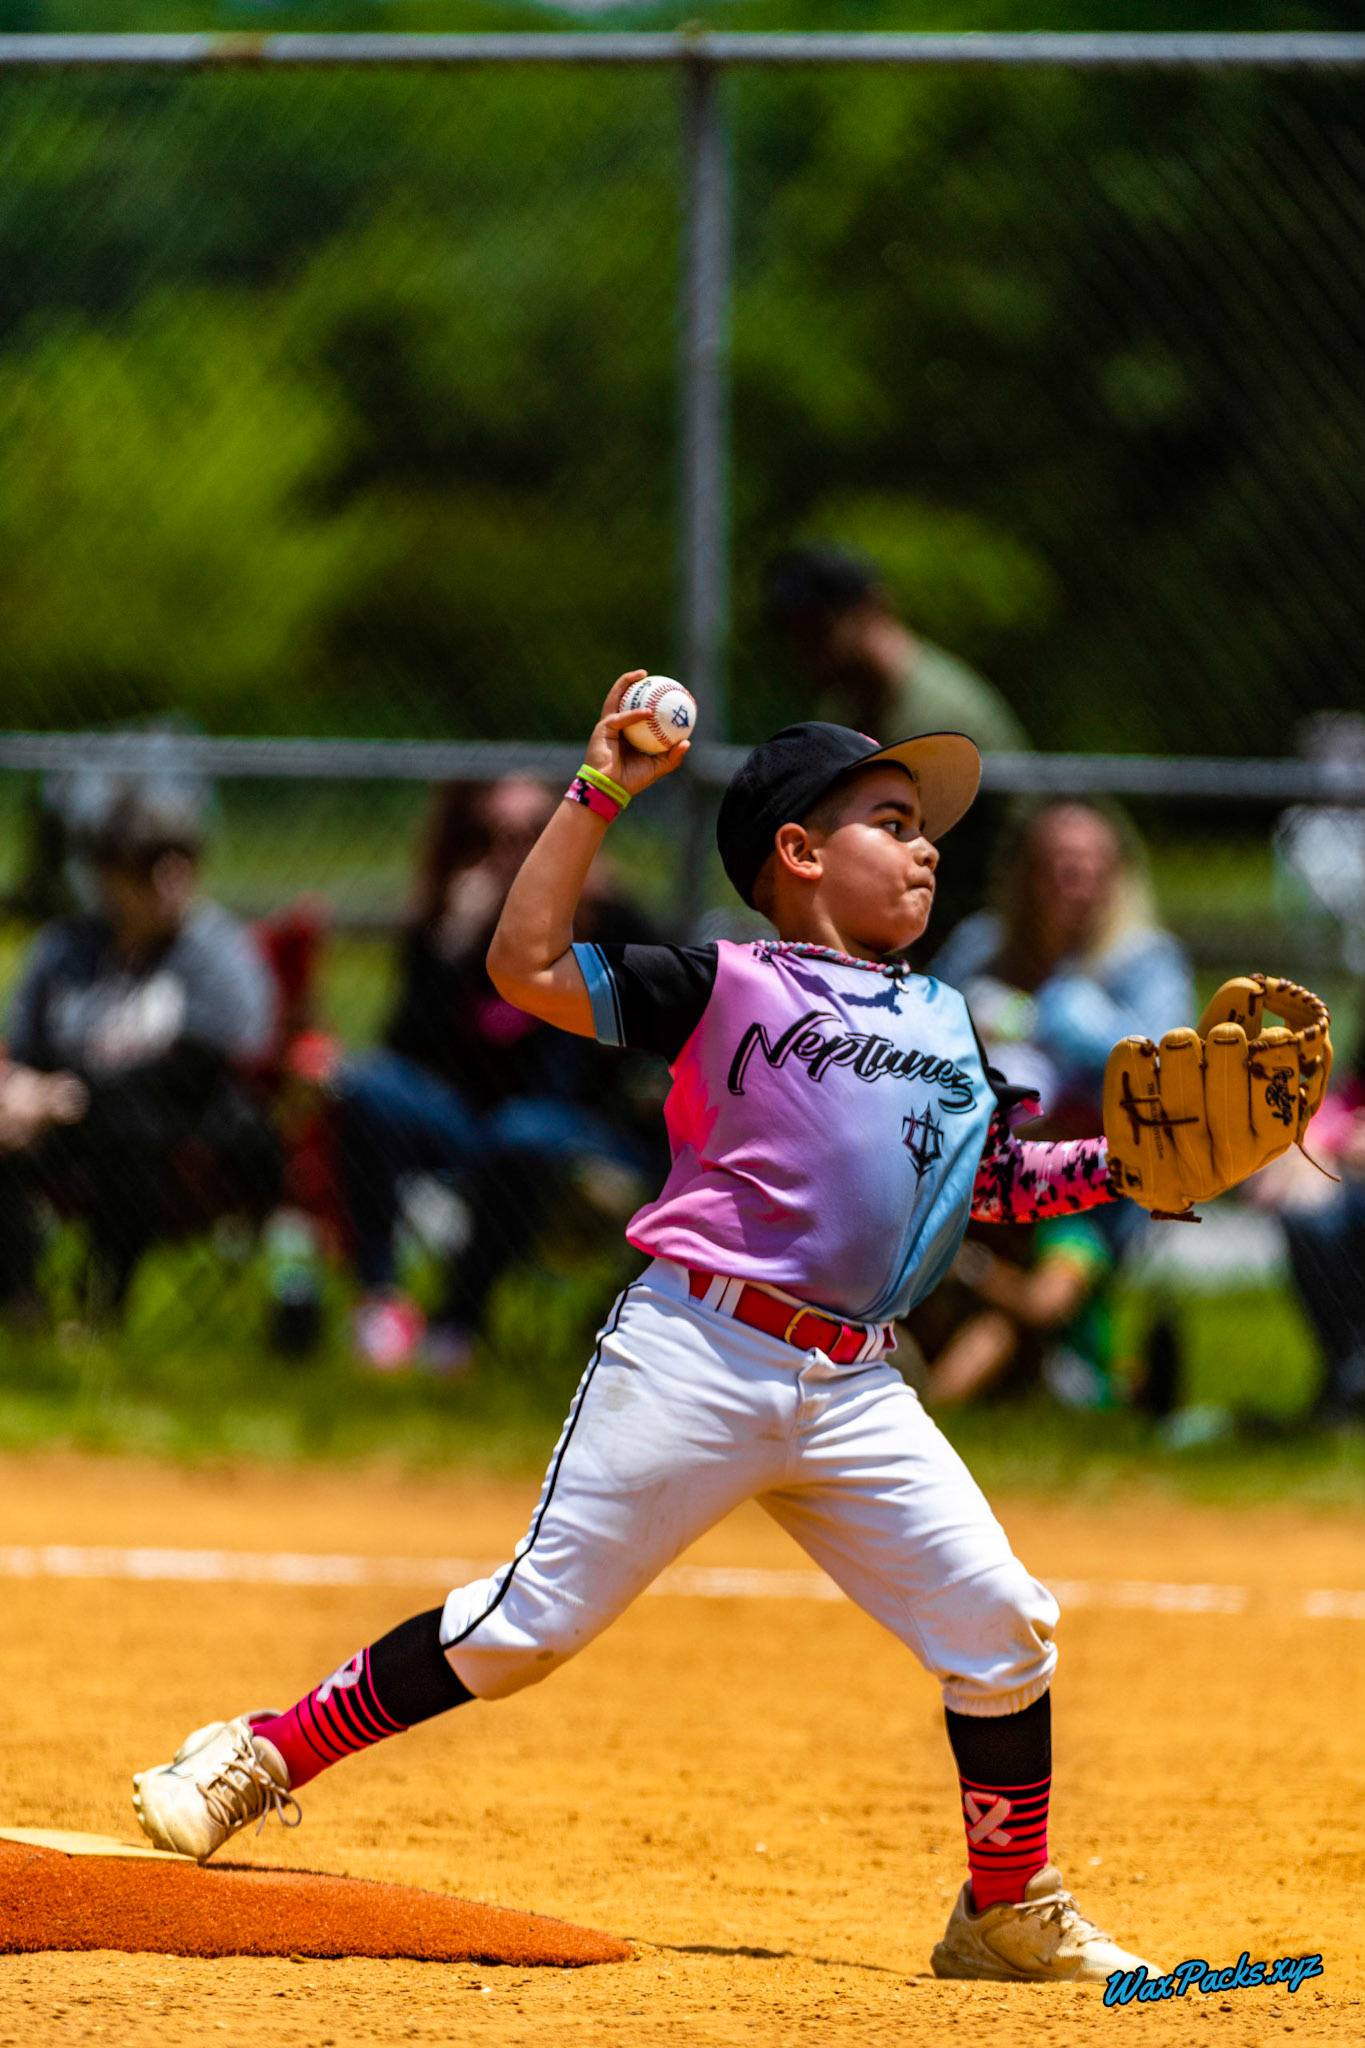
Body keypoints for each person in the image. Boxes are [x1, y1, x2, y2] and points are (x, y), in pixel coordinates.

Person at [131, 679, 1167, 1985]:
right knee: (527, 1628)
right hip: (701, 1352)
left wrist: (1129, 1164)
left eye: (924, 827)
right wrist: (600, 790)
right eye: (892, 819)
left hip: (856, 1385)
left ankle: (1004, 1906)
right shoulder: (726, 983)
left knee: (1003, 1623)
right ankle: (262, 1751)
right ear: (796, 853)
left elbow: (994, 1187)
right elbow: (526, 967)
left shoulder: (945, 1020)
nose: (927, 848)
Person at [338, 776, 660, 1374]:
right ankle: (380, 1302)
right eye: (490, 838)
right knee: (368, 1088)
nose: (511, 854)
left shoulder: (611, 919)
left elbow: (665, 1039)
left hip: (578, 1133)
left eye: (533, 835)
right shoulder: (455, 928)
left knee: (522, 1130)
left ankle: (459, 1323)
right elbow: (403, 1049)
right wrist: (452, 942)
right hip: (468, 1124)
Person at [918, 801, 1193, 1408]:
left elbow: (1170, 1081)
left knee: (1027, 1307)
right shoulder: (981, 949)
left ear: (1119, 877)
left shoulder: (1144, 962)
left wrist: (1069, 1022)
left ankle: (939, 1398)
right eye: (1058, 866)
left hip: (1087, 1185)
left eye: (1093, 867)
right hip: (970, 1167)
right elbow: (916, 1039)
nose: (1077, 882)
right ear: (1024, 876)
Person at [0, 790, 277, 1323]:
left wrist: (71, 1094)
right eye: (149, 865)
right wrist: (24, 1094)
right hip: (59, 1120)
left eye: (183, 862)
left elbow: (201, 1064)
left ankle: (101, 1306)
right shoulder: (67, 948)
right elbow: (27, 1048)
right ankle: (19, 1301)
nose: (170, 881)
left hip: (182, 1125)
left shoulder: (215, 951)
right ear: (105, 874)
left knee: (131, 1128)